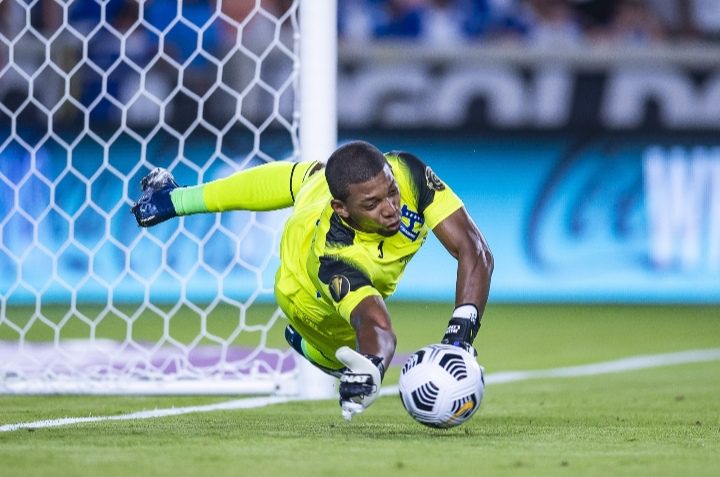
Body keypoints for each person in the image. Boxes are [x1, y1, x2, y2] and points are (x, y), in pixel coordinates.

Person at [131, 140, 493, 420]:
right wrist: (371, 366)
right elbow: (376, 324)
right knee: (347, 355)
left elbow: (474, 249)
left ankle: (174, 198)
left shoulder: (406, 171)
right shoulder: (334, 258)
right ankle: (311, 347)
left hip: (313, 193)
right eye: (372, 205)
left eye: (391, 192)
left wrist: (459, 336)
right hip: (304, 296)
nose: (390, 208)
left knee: (307, 175)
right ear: (343, 209)